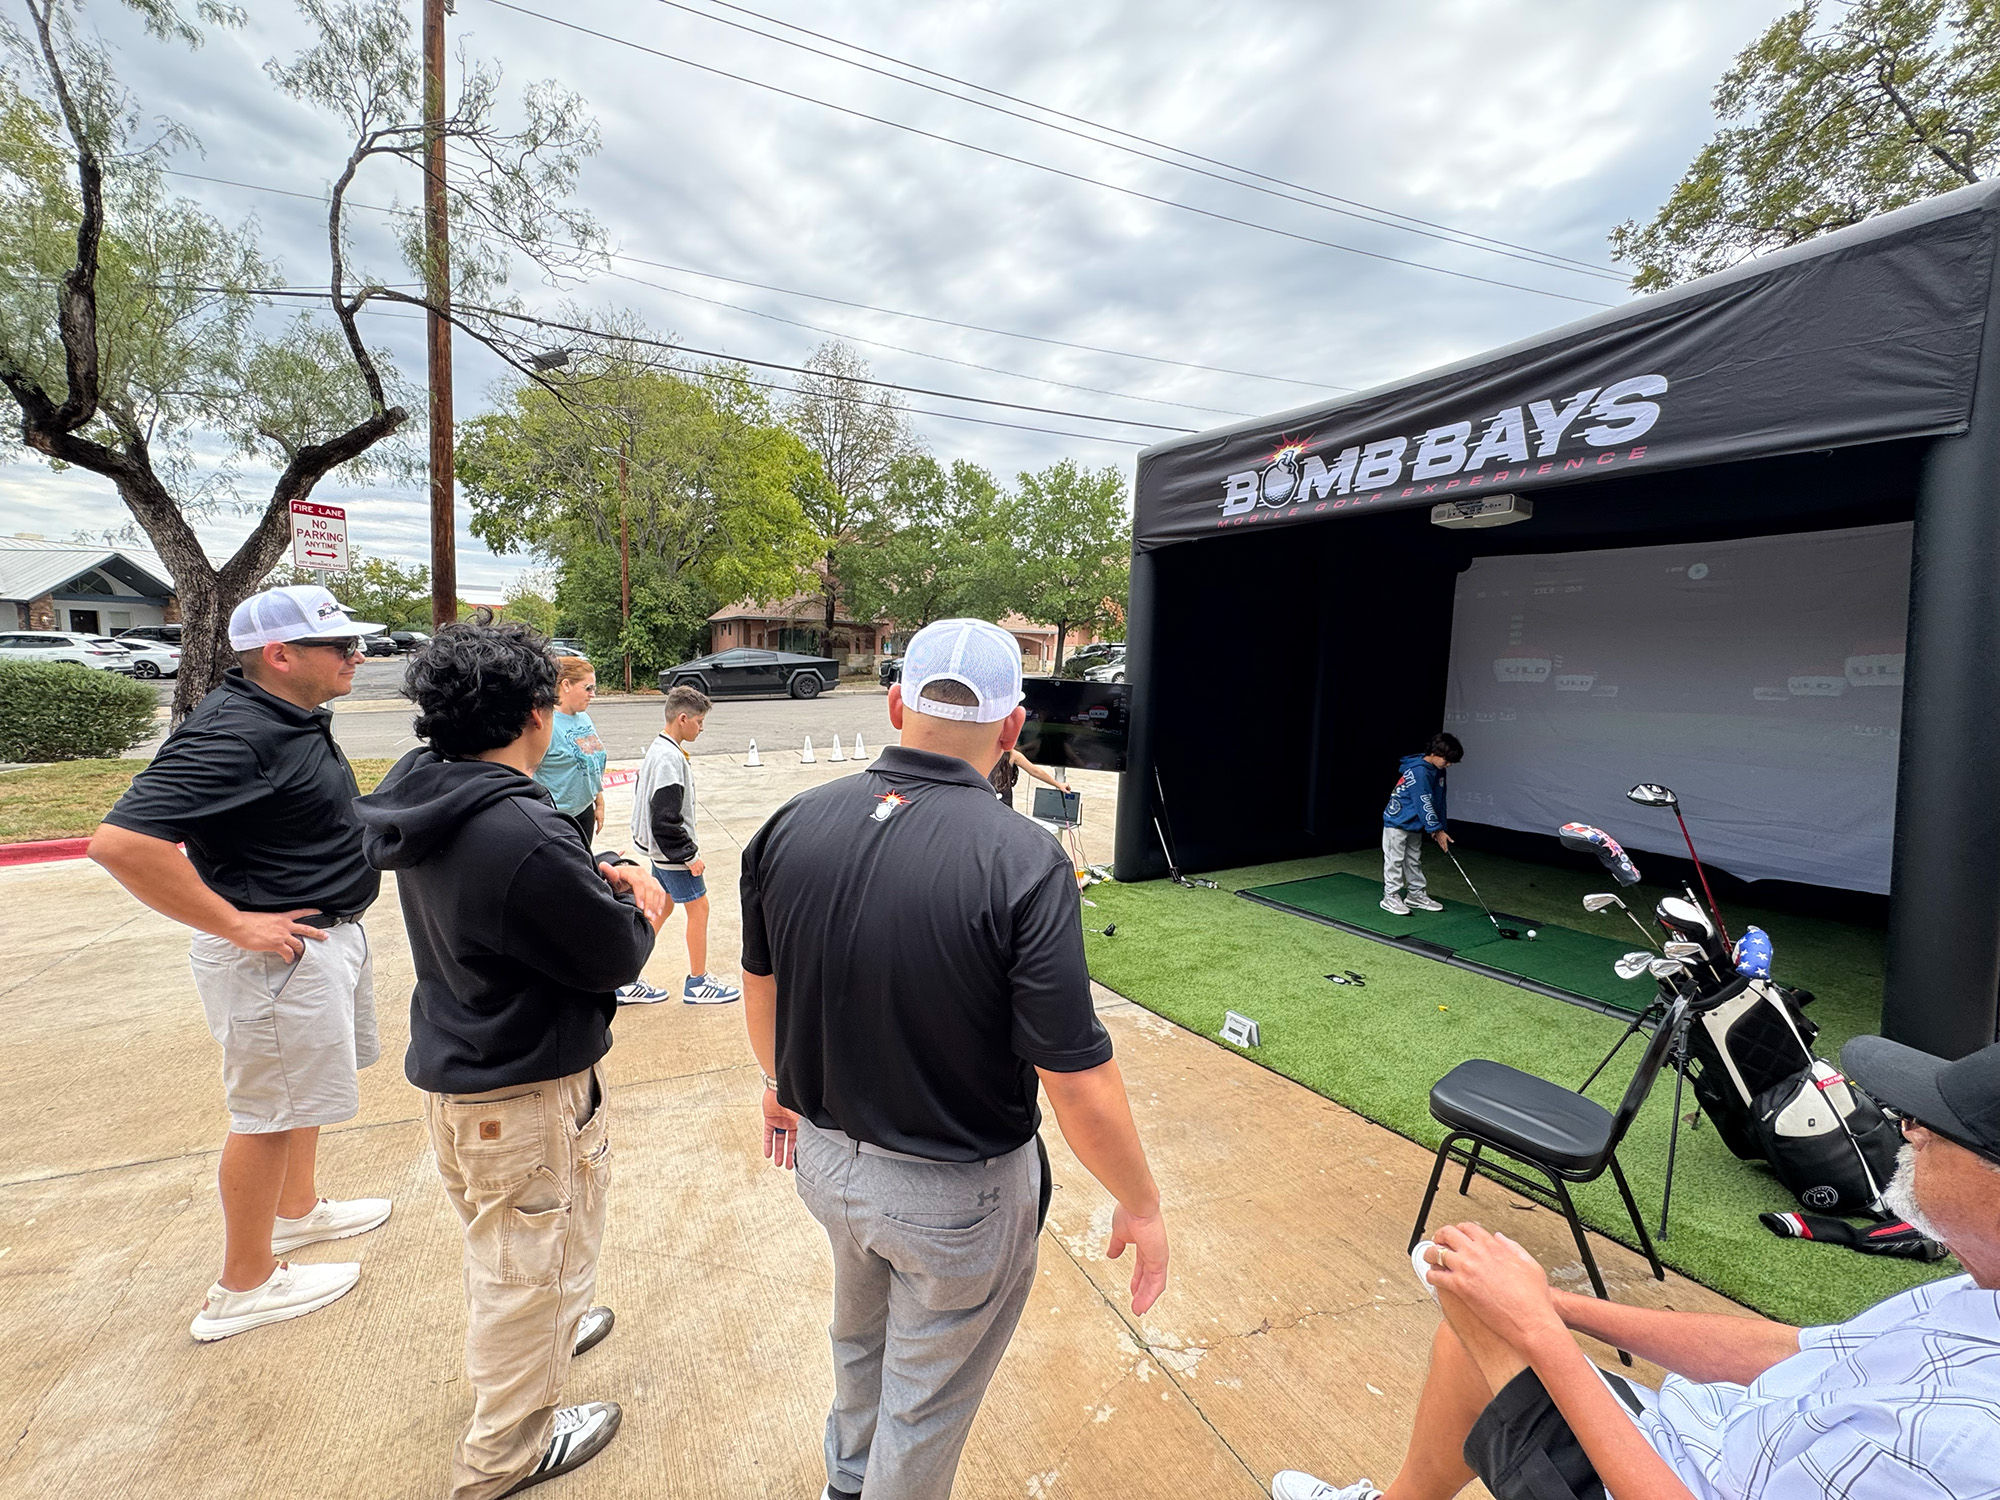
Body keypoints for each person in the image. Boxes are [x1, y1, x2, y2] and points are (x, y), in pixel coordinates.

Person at [740, 616, 1170, 1500]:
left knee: (858, 1347)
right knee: (925, 1402)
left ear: (897, 704)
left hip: (827, 1163)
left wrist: (780, 1087)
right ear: (1014, 728)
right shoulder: (1021, 858)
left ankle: (846, 1483)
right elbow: (1077, 1079)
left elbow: (762, 988)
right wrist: (1142, 1201)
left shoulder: (791, 824)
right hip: (954, 1197)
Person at [1272, 1032, 2000, 1500]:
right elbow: (1789, 1350)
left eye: (1938, 1129)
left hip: (1671, 1482)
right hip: (1708, 1439)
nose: (1909, 1132)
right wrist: (1554, 1307)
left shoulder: (1963, 1449)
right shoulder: (1981, 1295)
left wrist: (1539, 1336)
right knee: (1475, 1321)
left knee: (1480, 1331)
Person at [354, 621, 669, 1500]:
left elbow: (541, 879)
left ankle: (556, 1321)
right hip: (524, 1095)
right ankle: (506, 1455)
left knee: (518, 1255)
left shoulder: (426, 787)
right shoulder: (519, 831)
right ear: (537, 714)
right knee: (523, 1273)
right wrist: (644, 904)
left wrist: (588, 861)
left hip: (464, 1068)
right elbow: (615, 956)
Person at [87, 585, 392, 1341]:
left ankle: (296, 1212)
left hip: (321, 939)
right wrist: (234, 924)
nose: (357, 653)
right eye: (339, 644)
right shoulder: (233, 732)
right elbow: (121, 844)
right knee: (266, 1112)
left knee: (303, 1096)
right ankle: (242, 1285)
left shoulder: (290, 715)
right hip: (277, 959)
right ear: (281, 656)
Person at [628, 683, 741, 1005]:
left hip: (659, 851)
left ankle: (626, 977)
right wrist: (688, 855)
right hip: (671, 853)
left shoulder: (660, 748)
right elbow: (664, 818)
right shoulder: (668, 759)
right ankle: (698, 982)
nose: (701, 728)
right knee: (699, 908)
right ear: (682, 718)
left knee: (660, 909)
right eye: (699, 722)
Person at [1381, 733, 1463, 917]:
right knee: (1395, 859)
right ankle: (1390, 896)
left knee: (1413, 859)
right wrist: (1435, 829)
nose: (1449, 764)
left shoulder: (1438, 769)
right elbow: (1423, 800)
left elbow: (1439, 799)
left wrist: (1440, 827)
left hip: (1415, 822)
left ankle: (1415, 895)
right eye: (1447, 760)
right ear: (1434, 753)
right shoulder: (1419, 770)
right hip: (1398, 821)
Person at [534, 656, 607, 846]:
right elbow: (526, 772)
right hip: (557, 819)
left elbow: (592, 763)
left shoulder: (584, 718)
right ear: (566, 685)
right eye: (588, 688)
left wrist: (599, 803)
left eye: (594, 689)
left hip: (584, 811)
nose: (593, 694)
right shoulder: (546, 724)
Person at [989, 745, 1067, 809]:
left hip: (997, 803)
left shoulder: (1012, 754)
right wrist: (1058, 784)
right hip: (999, 805)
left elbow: (1035, 771)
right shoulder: (1012, 754)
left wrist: (1058, 784)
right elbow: (1035, 771)